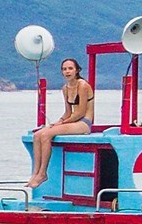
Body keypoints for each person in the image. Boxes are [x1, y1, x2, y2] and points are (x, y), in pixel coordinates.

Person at [25, 58, 95, 191]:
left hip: (83, 123)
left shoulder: (83, 85)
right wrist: (58, 122)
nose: (67, 71)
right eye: (64, 69)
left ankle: (43, 173)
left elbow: (80, 113)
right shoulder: (65, 88)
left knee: (46, 135)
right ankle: (35, 172)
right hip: (73, 121)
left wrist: (61, 124)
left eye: (70, 68)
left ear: (77, 70)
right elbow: (68, 112)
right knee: (37, 135)